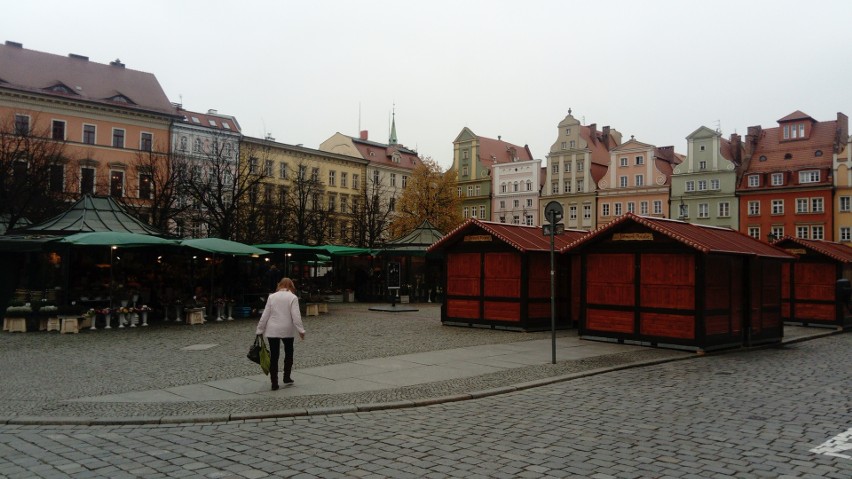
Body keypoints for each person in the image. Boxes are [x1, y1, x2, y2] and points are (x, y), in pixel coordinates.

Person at [255, 277, 306, 390]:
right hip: (287, 329)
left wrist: (259, 330)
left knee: (274, 355)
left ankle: (274, 382)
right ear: (291, 286)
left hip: (272, 329)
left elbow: (265, 315)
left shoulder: (272, 297)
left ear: (280, 285)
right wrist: (301, 330)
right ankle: (286, 377)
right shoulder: (293, 297)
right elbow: (296, 316)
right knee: (289, 352)